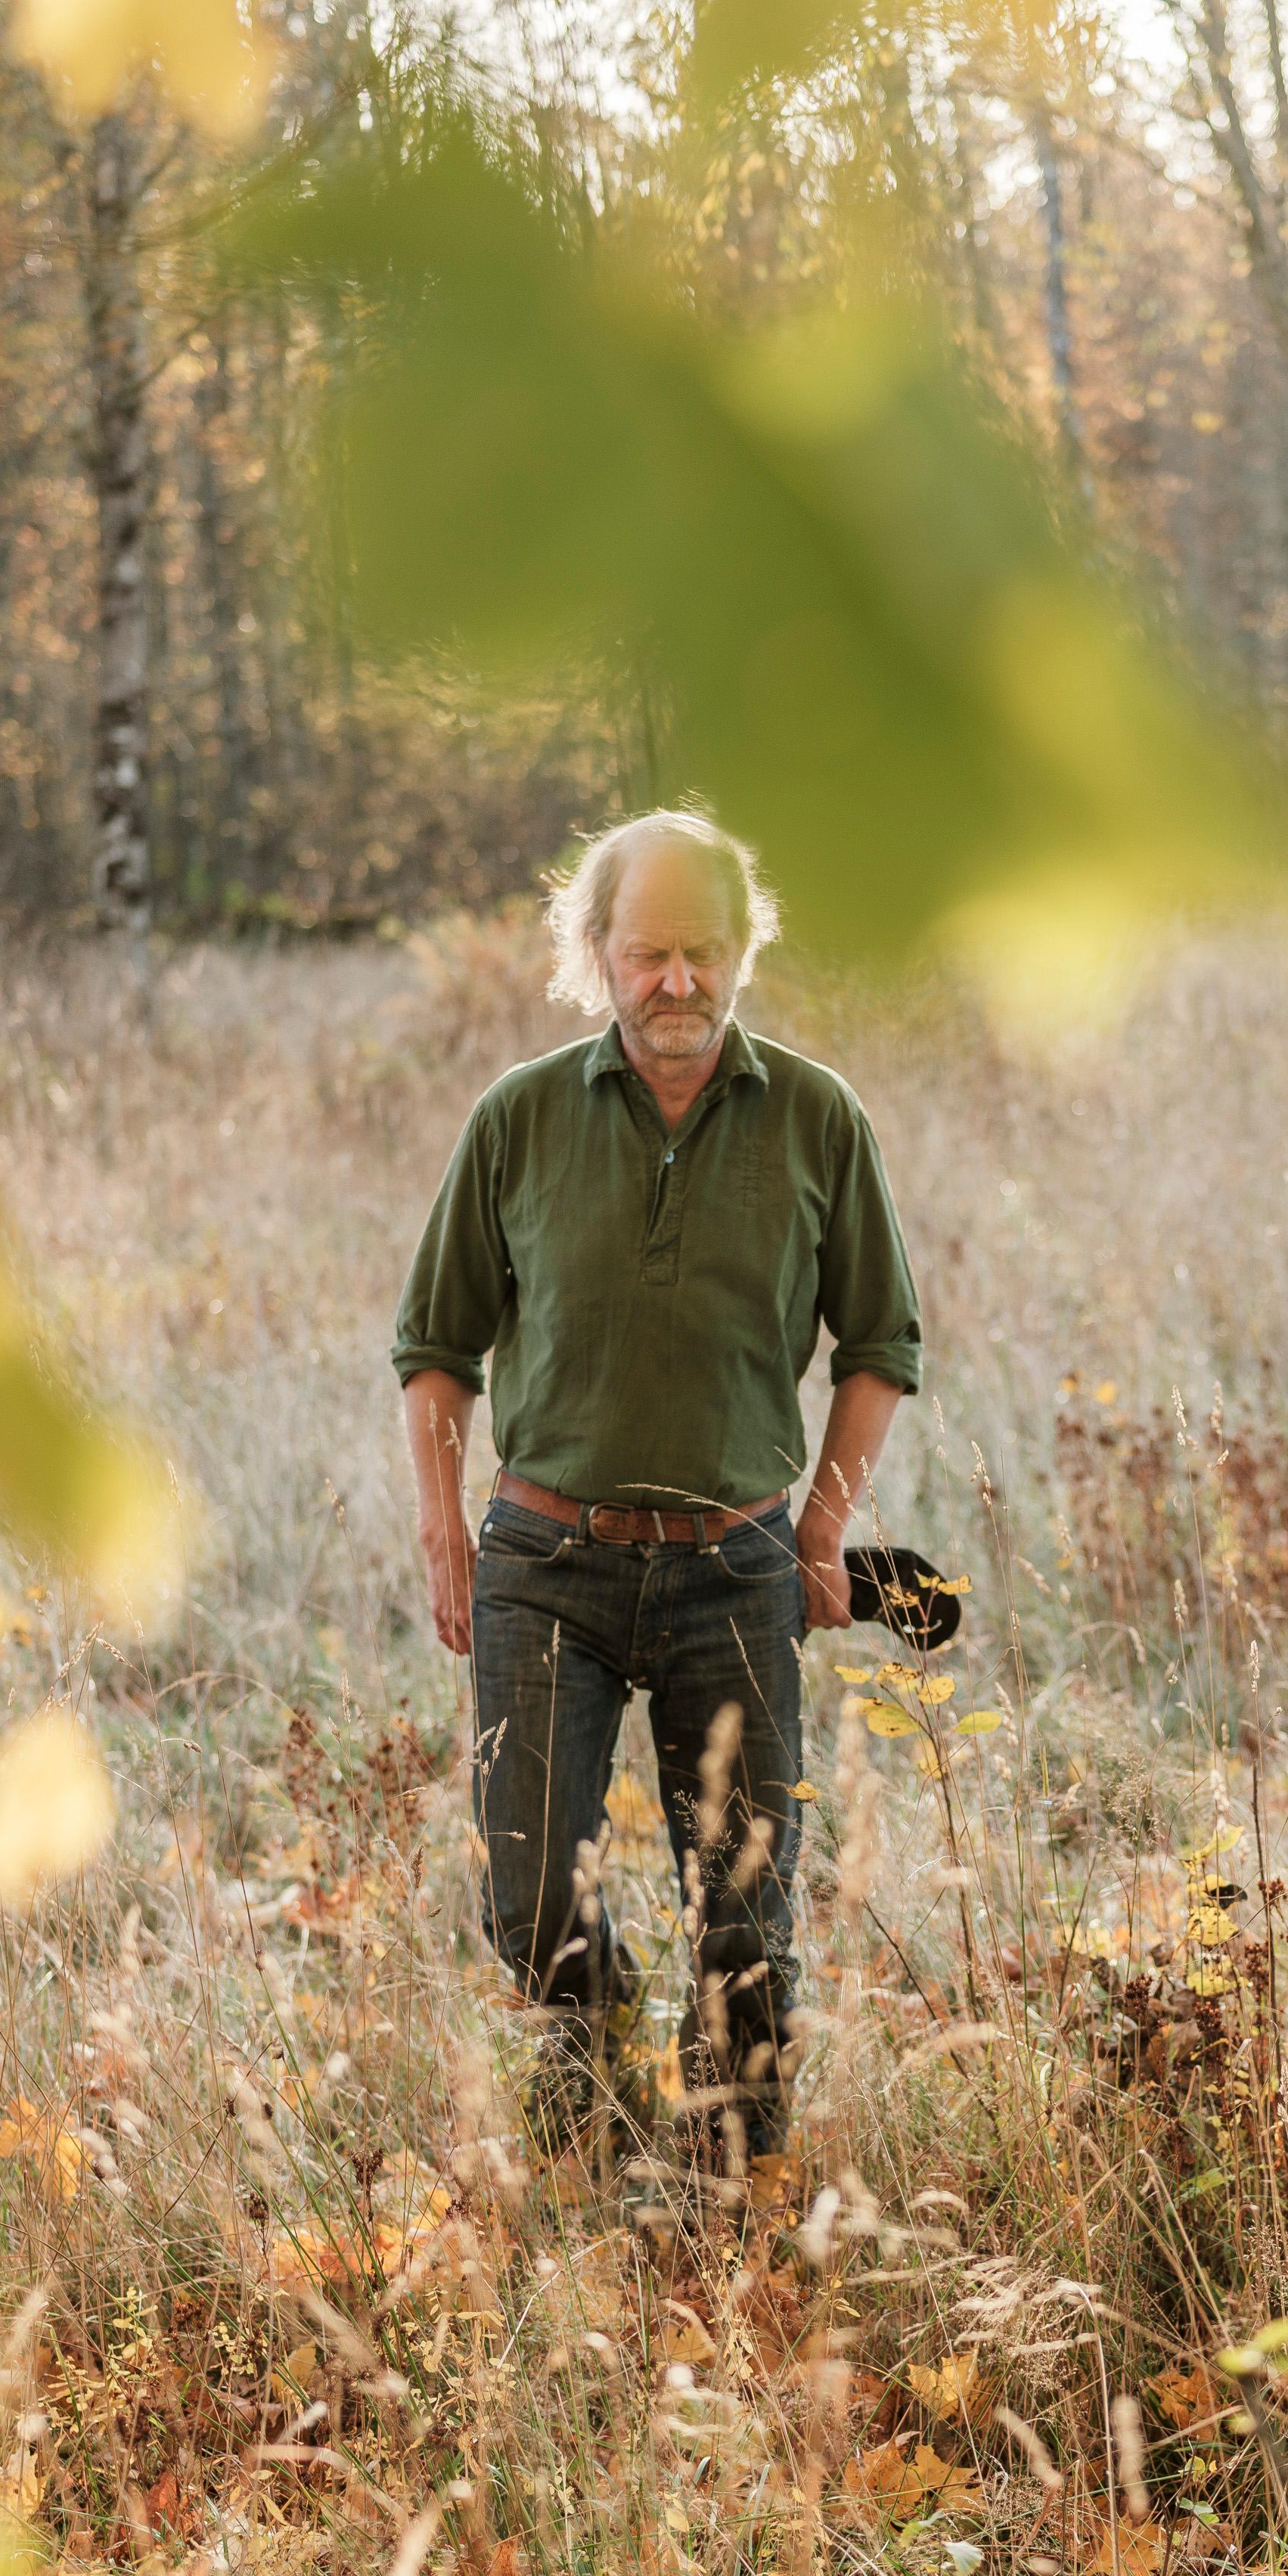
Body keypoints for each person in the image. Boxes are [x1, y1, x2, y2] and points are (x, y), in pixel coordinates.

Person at [392, 808, 922, 2189]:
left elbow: (881, 1350)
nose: (675, 983)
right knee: (526, 1907)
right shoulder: (517, 1118)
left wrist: (822, 1530)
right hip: (543, 1564)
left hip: (735, 1573)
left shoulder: (818, 1118)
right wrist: (447, 1531)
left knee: (748, 1924)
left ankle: (734, 2203)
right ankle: (594, 2088)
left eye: (701, 953)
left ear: (743, 951)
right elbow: (435, 1349)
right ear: (597, 955)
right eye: (646, 956)